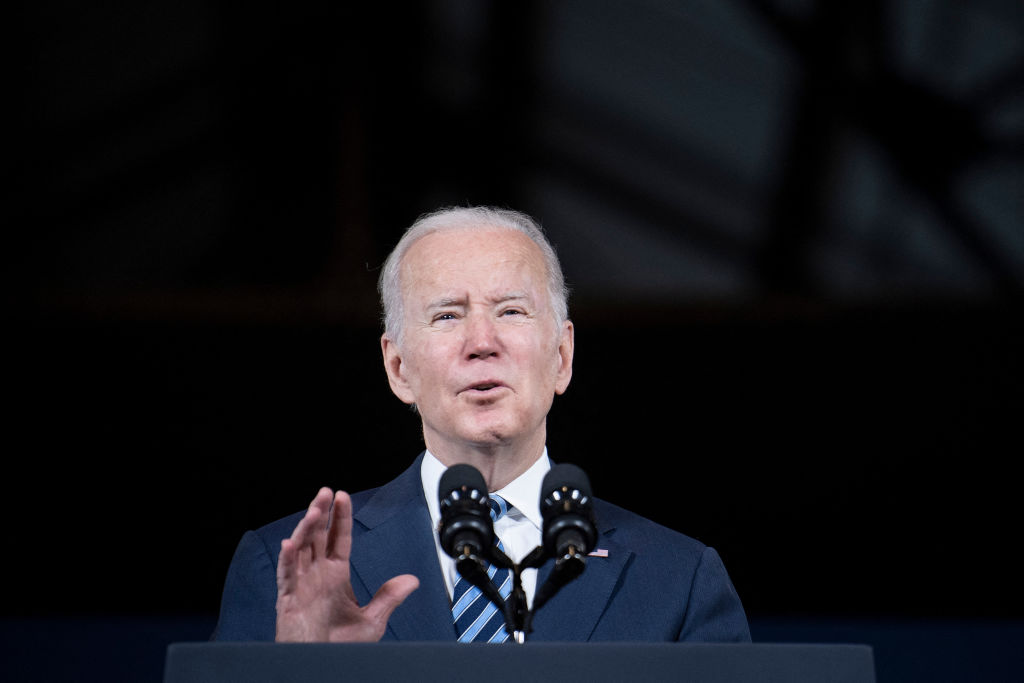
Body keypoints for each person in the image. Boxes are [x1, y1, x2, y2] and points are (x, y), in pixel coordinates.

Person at [213, 206, 750, 643]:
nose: (482, 343)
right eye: (447, 315)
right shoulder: (286, 569)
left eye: (511, 311)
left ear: (561, 357)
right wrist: (302, 678)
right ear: (398, 368)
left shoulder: (678, 581)